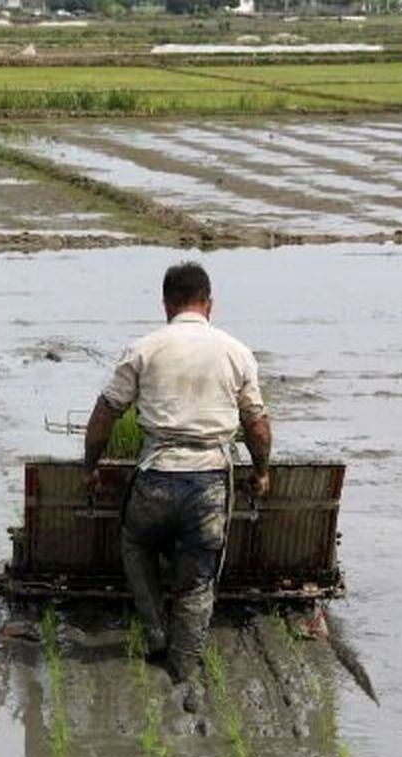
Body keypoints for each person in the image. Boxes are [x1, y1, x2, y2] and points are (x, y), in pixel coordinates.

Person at [82, 261, 271, 713]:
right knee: (198, 579)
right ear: (209, 303)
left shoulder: (144, 348)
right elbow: (257, 426)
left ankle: (155, 632)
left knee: (135, 543)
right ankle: (185, 667)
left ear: (166, 304)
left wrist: (91, 466)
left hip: (156, 478)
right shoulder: (236, 352)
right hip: (208, 485)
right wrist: (261, 471)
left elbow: (105, 414)